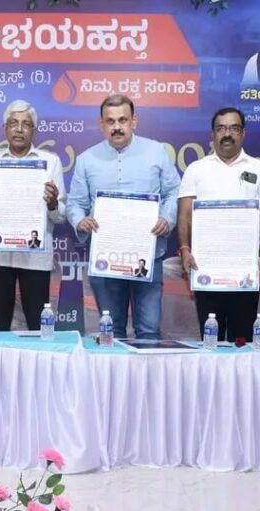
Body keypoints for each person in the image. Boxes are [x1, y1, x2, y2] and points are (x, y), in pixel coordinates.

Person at [67, 94, 180, 340]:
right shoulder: (87, 159)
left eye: (123, 120)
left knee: (149, 330)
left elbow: (173, 192)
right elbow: (75, 203)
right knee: (111, 332)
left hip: (147, 255)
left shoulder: (156, 152)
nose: (117, 127)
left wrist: (167, 218)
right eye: (110, 121)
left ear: (134, 121)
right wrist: (80, 221)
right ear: (101, 124)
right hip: (106, 256)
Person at [177, 107, 260, 342]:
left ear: (243, 133)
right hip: (207, 268)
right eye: (221, 128)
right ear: (212, 134)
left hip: (245, 270)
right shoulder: (196, 170)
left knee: (241, 341)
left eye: (234, 128)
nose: (227, 133)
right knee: (211, 339)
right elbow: (185, 215)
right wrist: (185, 249)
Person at [0, 100, 67, 331]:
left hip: (35, 258)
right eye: (13, 123)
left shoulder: (50, 163)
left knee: (38, 326)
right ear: (5, 128)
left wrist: (53, 203)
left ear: (34, 130)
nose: (19, 129)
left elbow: (61, 217)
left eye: (26, 124)